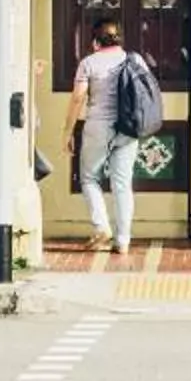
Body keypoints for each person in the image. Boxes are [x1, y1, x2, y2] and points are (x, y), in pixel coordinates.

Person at [65, 16, 139, 256]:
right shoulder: (134, 60)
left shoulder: (89, 63)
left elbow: (78, 98)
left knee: (88, 178)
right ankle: (123, 240)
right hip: (128, 127)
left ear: (96, 41)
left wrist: (67, 131)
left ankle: (101, 227)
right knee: (122, 183)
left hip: (98, 126)